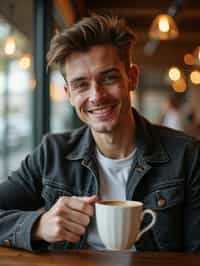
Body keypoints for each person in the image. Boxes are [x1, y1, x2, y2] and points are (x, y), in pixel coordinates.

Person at [0, 14, 200, 253]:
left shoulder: (188, 155)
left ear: (131, 79)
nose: (96, 96)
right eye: (81, 84)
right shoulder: (51, 154)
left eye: (109, 78)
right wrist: (37, 226)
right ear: (69, 94)